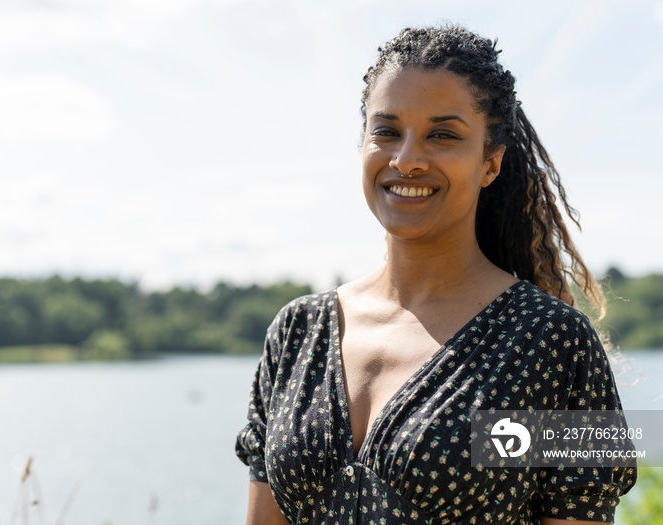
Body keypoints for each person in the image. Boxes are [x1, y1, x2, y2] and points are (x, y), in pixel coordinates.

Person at [235, 25, 636, 524]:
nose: (406, 160)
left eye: (442, 135)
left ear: (490, 163)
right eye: (386, 131)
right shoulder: (297, 333)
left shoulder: (551, 343)